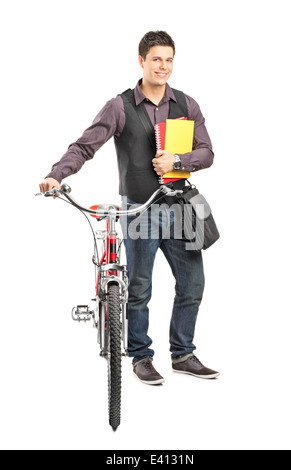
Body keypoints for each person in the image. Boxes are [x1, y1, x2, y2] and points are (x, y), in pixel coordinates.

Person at [39, 31, 220, 385]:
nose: (163, 66)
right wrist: (55, 175)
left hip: (182, 206)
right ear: (141, 61)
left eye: (169, 59)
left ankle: (182, 353)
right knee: (139, 287)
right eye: (156, 59)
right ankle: (140, 356)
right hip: (140, 209)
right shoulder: (120, 106)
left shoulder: (187, 104)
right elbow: (85, 146)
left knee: (193, 283)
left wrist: (179, 159)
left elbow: (207, 152)